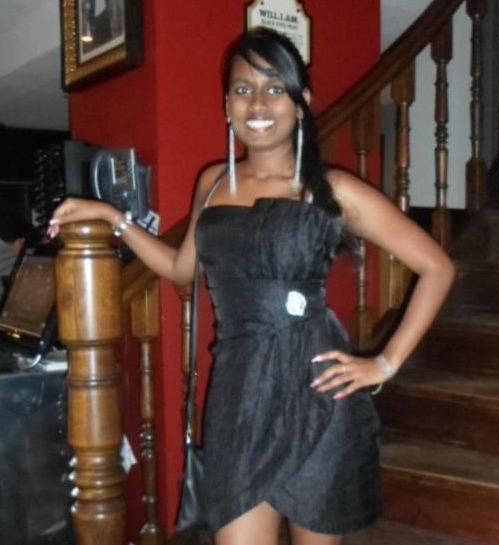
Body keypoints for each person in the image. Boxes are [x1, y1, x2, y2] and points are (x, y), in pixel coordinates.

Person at [48, 27, 455, 545]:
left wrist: (385, 363)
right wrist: (114, 218)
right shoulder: (213, 183)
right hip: (239, 398)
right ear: (227, 106)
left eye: (274, 88)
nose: (258, 104)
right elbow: (181, 269)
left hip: (317, 396)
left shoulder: (332, 190)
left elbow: (437, 267)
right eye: (243, 90)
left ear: (301, 104)